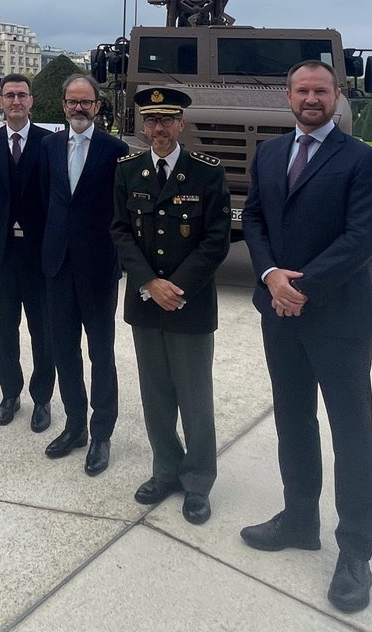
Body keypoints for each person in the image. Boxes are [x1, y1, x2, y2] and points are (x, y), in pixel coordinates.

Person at [241, 60, 372, 615]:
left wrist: (302, 286)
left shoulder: (362, 160)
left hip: (339, 319)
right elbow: (253, 219)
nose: (310, 99)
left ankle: (355, 553)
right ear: (288, 96)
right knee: (292, 419)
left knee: (352, 433)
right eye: (301, 90)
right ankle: (300, 520)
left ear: (337, 96)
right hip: (279, 314)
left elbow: (360, 236)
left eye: (320, 90)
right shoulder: (271, 154)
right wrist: (271, 275)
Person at [110, 87, 230, 524]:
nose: (158, 129)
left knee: (195, 397)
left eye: (167, 120)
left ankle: (198, 480)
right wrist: (148, 282)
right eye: (151, 121)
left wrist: (174, 287)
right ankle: (165, 469)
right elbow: (120, 230)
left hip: (189, 303)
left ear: (181, 124)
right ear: (143, 125)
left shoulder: (206, 173)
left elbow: (217, 238)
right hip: (145, 302)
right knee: (156, 394)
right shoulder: (128, 170)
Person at [40, 74, 127, 476]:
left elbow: (122, 212)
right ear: (63, 105)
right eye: (72, 102)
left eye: (86, 102)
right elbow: (45, 202)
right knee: (64, 351)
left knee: (100, 352)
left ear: (97, 106)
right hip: (57, 265)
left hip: (97, 268)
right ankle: (74, 425)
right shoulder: (48, 147)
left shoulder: (116, 150)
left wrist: (120, 264)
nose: (78, 108)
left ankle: (101, 433)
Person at [0, 74, 54, 432]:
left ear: (31, 101)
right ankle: (10, 393)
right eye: (9, 95)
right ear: (0, 101)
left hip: (37, 255)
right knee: (6, 330)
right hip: (1, 253)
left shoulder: (49, 143)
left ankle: (43, 399)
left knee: (42, 332)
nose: (16, 101)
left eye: (21, 95)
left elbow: (54, 201)